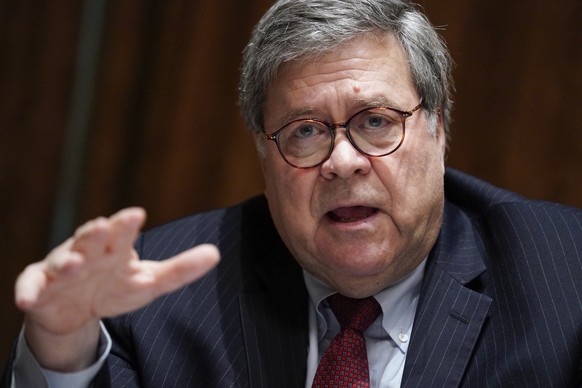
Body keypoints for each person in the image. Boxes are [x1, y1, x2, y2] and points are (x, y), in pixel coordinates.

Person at [3, 0, 582, 386]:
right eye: (305, 131)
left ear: (438, 127)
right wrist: (62, 346)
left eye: (376, 121)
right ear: (264, 154)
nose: (343, 161)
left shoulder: (564, 278)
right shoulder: (159, 295)